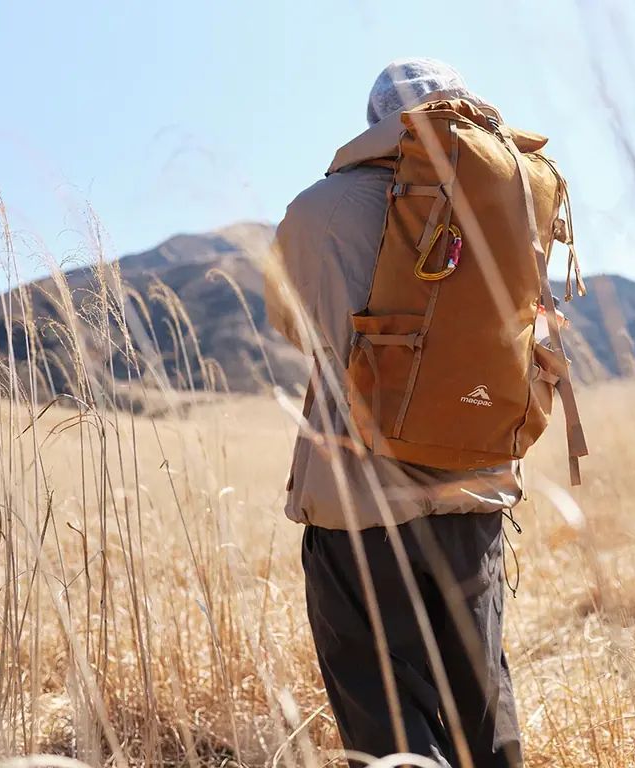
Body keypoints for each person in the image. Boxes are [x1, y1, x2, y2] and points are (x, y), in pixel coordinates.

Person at [265, 58, 524, 768]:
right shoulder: (509, 196)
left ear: (375, 121)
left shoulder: (317, 210)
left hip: (357, 495)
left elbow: (294, 327)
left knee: (381, 702)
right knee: (481, 697)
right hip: (473, 487)